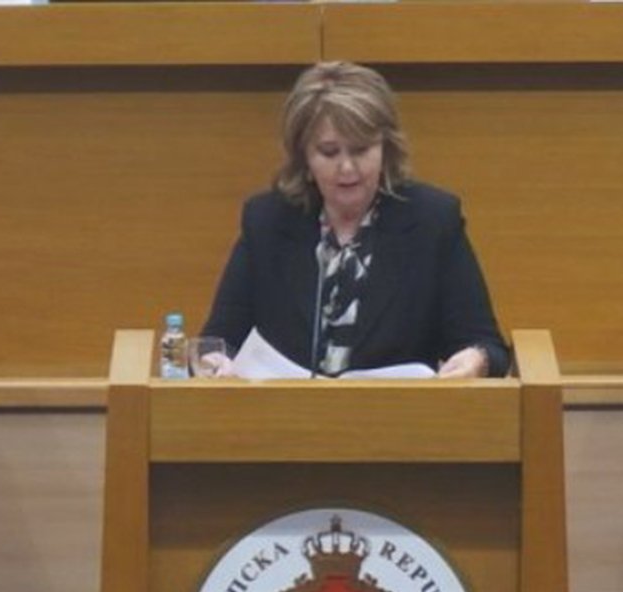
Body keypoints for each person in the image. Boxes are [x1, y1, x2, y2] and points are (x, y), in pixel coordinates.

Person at [200, 61, 509, 378]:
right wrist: (214, 362)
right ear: (304, 158)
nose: (347, 168)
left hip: (394, 409)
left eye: (361, 150)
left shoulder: (432, 221)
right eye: (329, 152)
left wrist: (476, 359)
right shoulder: (267, 222)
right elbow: (219, 340)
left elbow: (488, 347)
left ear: (385, 150)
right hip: (286, 408)